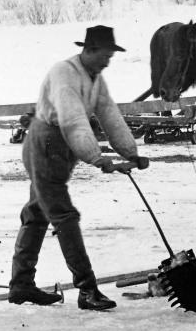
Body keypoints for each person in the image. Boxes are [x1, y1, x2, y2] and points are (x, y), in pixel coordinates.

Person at [8, 26, 148, 312]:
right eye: (105, 56)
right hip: (45, 144)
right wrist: (96, 157)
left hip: (62, 148)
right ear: (90, 50)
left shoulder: (95, 79)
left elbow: (109, 113)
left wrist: (131, 152)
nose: (108, 62)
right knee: (64, 215)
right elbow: (72, 119)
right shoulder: (64, 73)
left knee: (38, 211)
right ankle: (86, 288)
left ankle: (21, 285)